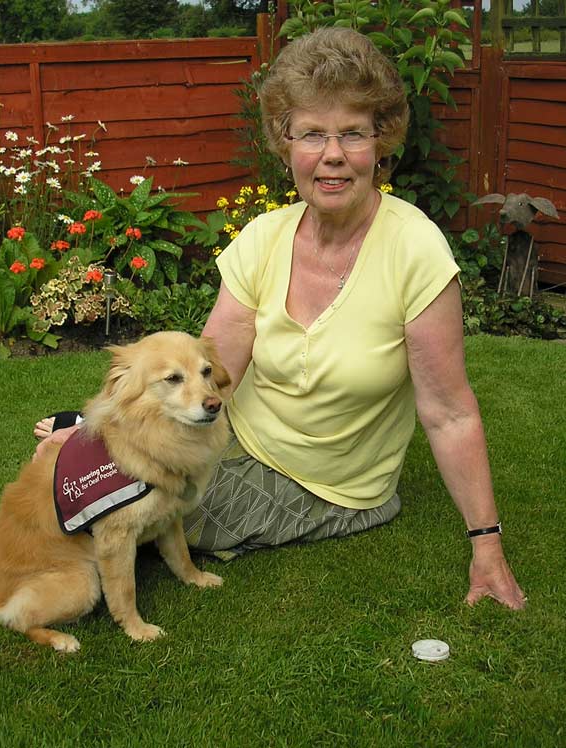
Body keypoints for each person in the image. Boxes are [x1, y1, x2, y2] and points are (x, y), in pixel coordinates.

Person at [36, 26, 526, 610]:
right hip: (237, 433)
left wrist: (486, 546)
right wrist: (100, 433)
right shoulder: (265, 237)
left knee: (143, 509)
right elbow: (212, 373)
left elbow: (448, 413)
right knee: (72, 467)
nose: (333, 155)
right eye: (313, 134)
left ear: (381, 142)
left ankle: (56, 565)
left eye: (352, 133)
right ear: (286, 143)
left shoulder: (416, 251)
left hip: (329, 484)